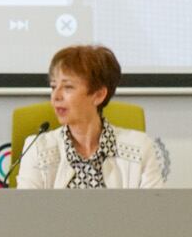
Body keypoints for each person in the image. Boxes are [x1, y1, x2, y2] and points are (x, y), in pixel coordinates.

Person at [14, 44, 165, 190]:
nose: (56, 97)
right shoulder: (38, 149)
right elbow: (27, 212)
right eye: (54, 86)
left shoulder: (140, 148)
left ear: (98, 95)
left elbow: (153, 211)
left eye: (68, 87)